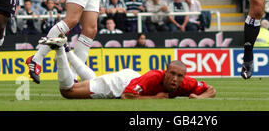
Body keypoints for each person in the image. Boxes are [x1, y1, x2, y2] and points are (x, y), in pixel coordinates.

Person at [38, 37, 216, 100]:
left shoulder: (185, 83)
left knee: (91, 81)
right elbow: (127, 96)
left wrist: (201, 99)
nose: (175, 79)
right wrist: (155, 98)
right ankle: (61, 50)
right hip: (122, 84)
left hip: (132, 77)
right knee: (68, 92)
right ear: (166, 72)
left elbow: (211, 90)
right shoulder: (154, 77)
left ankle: (67, 50)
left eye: (179, 76)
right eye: (172, 74)